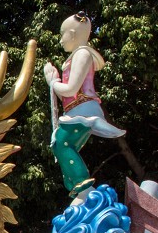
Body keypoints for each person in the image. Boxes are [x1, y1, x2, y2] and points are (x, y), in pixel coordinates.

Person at [43, 11, 125, 203]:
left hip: (83, 109)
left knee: (62, 143)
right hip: (75, 111)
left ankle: (83, 187)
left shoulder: (82, 54)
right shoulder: (76, 56)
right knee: (60, 145)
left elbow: (70, 88)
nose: (60, 40)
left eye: (62, 34)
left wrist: (52, 82)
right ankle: (78, 190)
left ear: (72, 34)